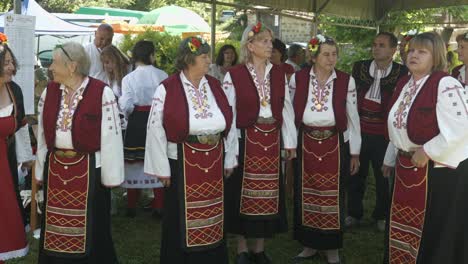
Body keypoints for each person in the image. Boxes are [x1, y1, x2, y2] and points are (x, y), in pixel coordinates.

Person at [144, 36, 238, 264]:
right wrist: (161, 168)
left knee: (213, 215)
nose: (208, 61)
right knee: (180, 218)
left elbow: (230, 122)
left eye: (208, 56)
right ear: (188, 59)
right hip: (180, 162)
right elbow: (155, 128)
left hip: (214, 161)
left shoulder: (214, 85)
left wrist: (229, 158)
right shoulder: (167, 88)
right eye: (204, 56)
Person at [382, 32, 468, 264]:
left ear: (436, 56)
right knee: (404, 223)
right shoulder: (405, 83)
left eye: (422, 51)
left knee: (432, 232)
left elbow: (462, 128)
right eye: (411, 50)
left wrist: (428, 150)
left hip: (436, 174)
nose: (414, 55)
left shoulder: (445, 83)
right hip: (406, 168)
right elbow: (398, 126)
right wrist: (391, 157)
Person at [35, 42, 124, 264]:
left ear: (72, 66)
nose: (51, 68)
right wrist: (39, 170)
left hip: (90, 171)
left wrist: (111, 177)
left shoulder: (101, 92)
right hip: (55, 171)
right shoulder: (50, 91)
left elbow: (111, 136)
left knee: (92, 224)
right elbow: (44, 134)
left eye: (54, 63)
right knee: (55, 223)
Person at [223, 22, 297, 264]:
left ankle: (259, 248)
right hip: (246, 139)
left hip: (271, 140)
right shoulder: (234, 74)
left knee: (267, 195)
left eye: (270, 41)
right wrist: (230, 150)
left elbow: (286, 108)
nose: (270, 45)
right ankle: (242, 249)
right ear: (250, 45)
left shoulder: (279, 73)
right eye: (264, 41)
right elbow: (229, 114)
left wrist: (290, 142)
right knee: (242, 194)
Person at [289, 35, 361, 264]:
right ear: (313, 56)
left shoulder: (346, 81)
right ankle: (309, 246)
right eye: (326, 54)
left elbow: (353, 118)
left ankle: (332, 250)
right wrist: (290, 144)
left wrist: (355, 152)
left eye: (334, 54)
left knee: (333, 196)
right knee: (305, 193)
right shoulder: (298, 79)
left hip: (334, 143)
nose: (331, 59)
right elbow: (290, 115)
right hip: (306, 142)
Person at [346, 32, 408, 231]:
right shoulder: (360, 67)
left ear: (393, 50)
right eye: (374, 44)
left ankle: (381, 216)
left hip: (384, 135)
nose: (376, 48)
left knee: (384, 177)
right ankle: (353, 213)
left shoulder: (402, 72)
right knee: (355, 174)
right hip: (360, 131)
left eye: (381, 45)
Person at [119, 40, 168, 217]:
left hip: (137, 121)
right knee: (158, 159)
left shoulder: (128, 78)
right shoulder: (162, 75)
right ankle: (159, 205)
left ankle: (132, 205)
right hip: (157, 119)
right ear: (151, 55)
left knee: (134, 161)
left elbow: (127, 105)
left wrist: (129, 115)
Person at [0, 32, 32, 264]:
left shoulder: (15, 90)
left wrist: (27, 158)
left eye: (12, 62)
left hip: (5, 159)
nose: (12, 67)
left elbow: (20, 128)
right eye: (7, 62)